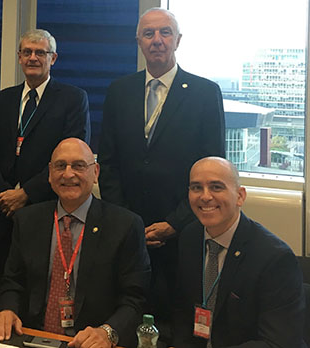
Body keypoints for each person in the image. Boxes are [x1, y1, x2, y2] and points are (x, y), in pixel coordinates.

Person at [97, 7, 226, 332]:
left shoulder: (204, 93)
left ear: (178, 40)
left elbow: (213, 172)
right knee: (125, 316)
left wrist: (174, 222)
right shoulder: (118, 91)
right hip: (126, 231)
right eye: (149, 33)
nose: (157, 40)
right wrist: (125, 220)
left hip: (181, 233)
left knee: (174, 323)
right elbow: (108, 163)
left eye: (165, 33)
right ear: (138, 41)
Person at [0, 138, 150, 348]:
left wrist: (108, 332)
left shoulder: (125, 226)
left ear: (96, 173)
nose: (68, 174)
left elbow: (135, 299)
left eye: (79, 166)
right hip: (32, 338)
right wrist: (7, 309)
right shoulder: (28, 220)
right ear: (49, 173)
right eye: (60, 166)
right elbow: (12, 281)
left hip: (88, 342)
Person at [0, 29, 90, 279]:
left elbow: (71, 159)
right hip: (3, 209)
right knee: (1, 281)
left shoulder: (72, 99)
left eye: (40, 52)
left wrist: (26, 193)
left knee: (40, 281)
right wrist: (5, 195)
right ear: (19, 57)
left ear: (53, 58)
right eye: (27, 52)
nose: (33, 57)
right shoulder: (2, 99)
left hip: (46, 206)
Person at [172, 157, 305, 347]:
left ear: (240, 196)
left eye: (216, 187)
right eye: (196, 188)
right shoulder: (189, 237)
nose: (205, 196)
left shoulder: (274, 257)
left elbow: (276, 343)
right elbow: (182, 311)